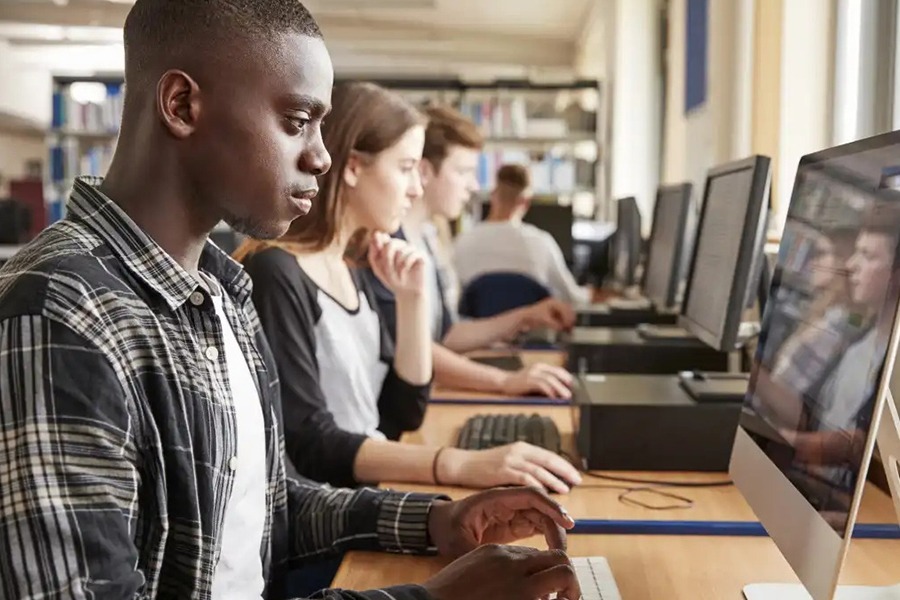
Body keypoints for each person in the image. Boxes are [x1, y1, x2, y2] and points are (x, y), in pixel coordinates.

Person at [0, 3, 582, 599]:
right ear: (181, 106)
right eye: (298, 119)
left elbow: (266, 506)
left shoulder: (225, 291)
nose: (322, 157)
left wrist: (435, 519)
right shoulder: (62, 311)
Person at [234, 82, 582, 495]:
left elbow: (402, 414)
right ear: (353, 168)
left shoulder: (354, 267)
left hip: (366, 494)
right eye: (404, 169)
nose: (415, 188)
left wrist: (413, 300)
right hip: (325, 519)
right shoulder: (277, 272)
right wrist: (456, 464)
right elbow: (311, 444)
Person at [366, 105, 576, 398]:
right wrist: (504, 381)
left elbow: (447, 336)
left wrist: (525, 316)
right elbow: (411, 346)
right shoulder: (385, 245)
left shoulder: (427, 236)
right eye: (463, 172)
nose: (474, 186)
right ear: (424, 171)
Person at [453, 163, 592, 305]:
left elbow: (453, 298)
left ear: (493, 195)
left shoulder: (462, 243)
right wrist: (594, 293)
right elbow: (573, 298)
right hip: (532, 326)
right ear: (525, 202)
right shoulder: (541, 243)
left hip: (476, 327)